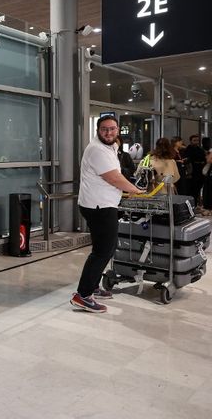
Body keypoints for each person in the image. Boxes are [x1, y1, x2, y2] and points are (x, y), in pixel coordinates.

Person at [72, 115, 145, 313]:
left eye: (112, 129)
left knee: (106, 248)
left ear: (118, 129)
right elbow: (113, 177)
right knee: (103, 251)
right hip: (99, 207)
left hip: (103, 204)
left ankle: (93, 286)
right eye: (104, 129)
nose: (109, 132)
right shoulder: (97, 149)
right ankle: (83, 295)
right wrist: (135, 190)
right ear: (98, 130)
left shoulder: (110, 146)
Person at [183, 134, 206, 203]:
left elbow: (204, 158)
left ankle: (197, 202)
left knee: (198, 188)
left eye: (197, 140)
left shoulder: (200, 149)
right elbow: (188, 160)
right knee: (191, 189)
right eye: (194, 140)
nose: (196, 142)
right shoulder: (188, 149)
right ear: (190, 141)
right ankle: (192, 203)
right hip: (192, 172)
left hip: (200, 171)